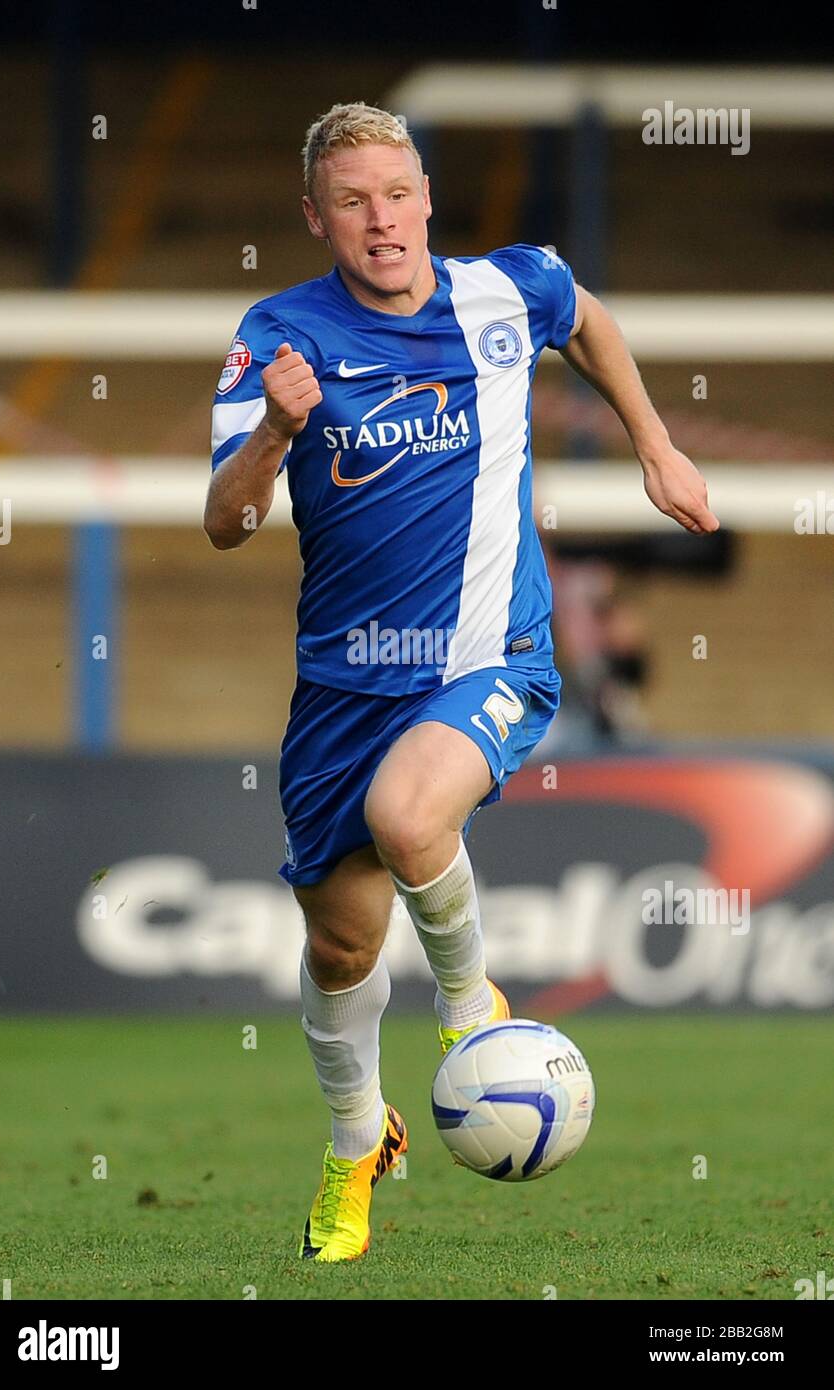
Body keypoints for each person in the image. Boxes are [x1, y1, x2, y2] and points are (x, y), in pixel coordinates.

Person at [204, 101, 719, 1263]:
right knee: (338, 950)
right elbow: (225, 524)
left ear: (426, 196)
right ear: (315, 216)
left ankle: (468, 1006)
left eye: (396, 193)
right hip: (343, 687)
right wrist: (272, 438)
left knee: (406, 815)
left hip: (491, 655)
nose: (380, 220)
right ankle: (353, 1145)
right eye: (351, 201)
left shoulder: (505, 290)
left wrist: (653, 444)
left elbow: (585, 321)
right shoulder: (276, 335)